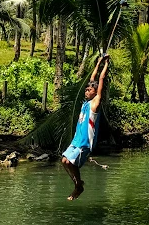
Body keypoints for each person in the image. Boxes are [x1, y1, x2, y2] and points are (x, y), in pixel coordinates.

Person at [61, 54, 110, 200]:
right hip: (77, 140)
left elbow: (100, 79)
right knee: (64, 160)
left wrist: (106, 64)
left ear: (95, 93)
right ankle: (78, 183)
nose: (86, 91)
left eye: (89, 90)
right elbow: (93, 77)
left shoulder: (95, 103)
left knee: (70, 162)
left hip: (85, 142)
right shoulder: (86, 103)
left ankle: (78, 187)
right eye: (86, 89)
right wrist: (98, 62)